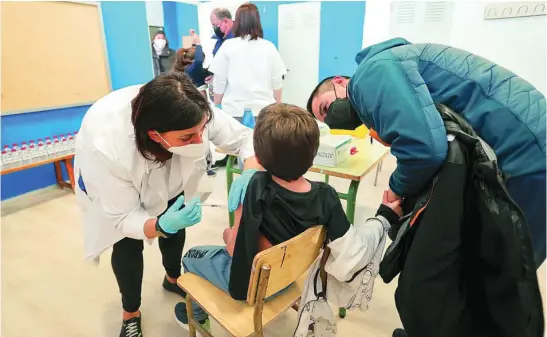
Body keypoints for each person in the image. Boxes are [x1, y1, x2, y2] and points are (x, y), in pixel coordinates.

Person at [307, 37, 546, 270]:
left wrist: (396, 189)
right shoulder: (392, 63)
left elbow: (422, 150)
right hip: (527, 142)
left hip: (525, 153)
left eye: (326, 107)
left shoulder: (368, 76)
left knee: (505, 274)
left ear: (339, 82)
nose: (332, 118)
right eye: (326, 120)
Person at [171, 103, 404, 332]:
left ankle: (198, 317)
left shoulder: (254, 189)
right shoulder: (327, 197)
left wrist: (228, 234)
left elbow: (235, 250)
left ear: (258, 159)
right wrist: (383, 217)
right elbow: (353, 247)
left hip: (252, 287)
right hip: (289, 278)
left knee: (191, 257)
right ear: (313, 157)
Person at [74, 72, 260, 337]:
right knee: (127, 244)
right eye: (187, 138)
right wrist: (158, 224)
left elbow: (245, 138)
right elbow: (124, 218)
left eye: (202, 132)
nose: (199, 141)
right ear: (154, 135)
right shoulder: (110, 147)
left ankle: (172, 278)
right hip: (117, 185)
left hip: (169, 166)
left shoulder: (195, 111)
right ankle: (130, 313)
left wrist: (250, 171)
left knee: (175, 220)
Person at [209, 2, 286, 120]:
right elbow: (277, 81)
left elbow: (219, 82)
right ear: (257, 21)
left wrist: (217, 105)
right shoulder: (269, 47)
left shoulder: (227, 46)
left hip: (233, 111)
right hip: (264, 112)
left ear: (238, 21)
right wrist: (278, 106)